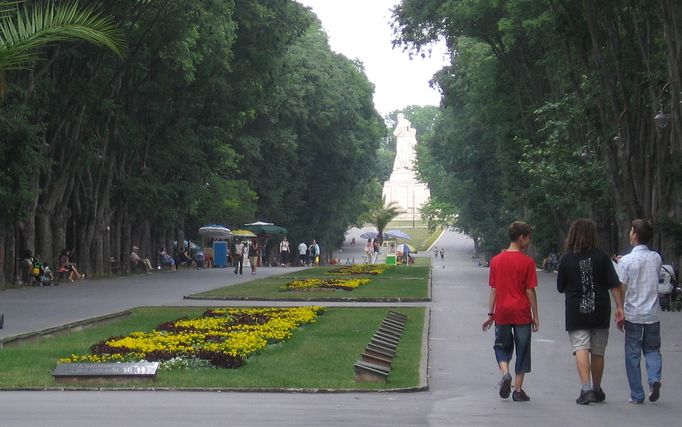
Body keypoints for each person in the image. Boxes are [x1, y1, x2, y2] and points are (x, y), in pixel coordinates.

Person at [556, 219, 624, 405]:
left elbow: (560, 287)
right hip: (599, 307)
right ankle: (596, 388)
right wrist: (620, 308)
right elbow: (615, 285)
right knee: (598, 350)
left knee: (581, 347)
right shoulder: (602, 257)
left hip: (576, 309)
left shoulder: (567, 259)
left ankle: (585, 389)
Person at [482, 221, 539, 402]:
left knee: (501, 346)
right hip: (521, 312)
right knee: (523, 350)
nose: (529, 241)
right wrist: (535, 315)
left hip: (503, 312)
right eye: (528, 238)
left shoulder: (496, 261)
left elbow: (494, 290)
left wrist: (490, 314)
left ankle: (505, 373)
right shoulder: (527, 262)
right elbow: (530, 291)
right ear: (521, 237)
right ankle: (518, 390)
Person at [615, 219, 663, 404]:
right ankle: (654, 379)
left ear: (634, 235)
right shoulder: (656, 258)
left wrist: (619, 310)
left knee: (633, 353)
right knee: (652, 349)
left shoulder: (626, 261)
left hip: (633, 313)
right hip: (652, 313)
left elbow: (621, 286)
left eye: (631, 230)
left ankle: (637, 394)